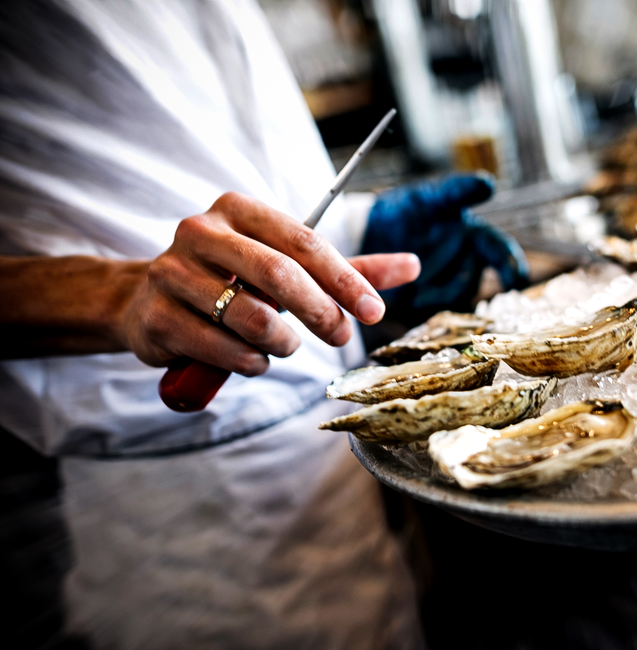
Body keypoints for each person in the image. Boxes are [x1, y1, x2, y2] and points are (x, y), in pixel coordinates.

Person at [0, 1, 527, 648]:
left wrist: (348, 233)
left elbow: (194, 150)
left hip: (330, 444)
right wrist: (118, 295)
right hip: (179, 495)